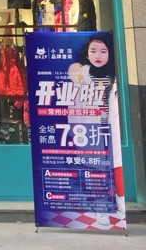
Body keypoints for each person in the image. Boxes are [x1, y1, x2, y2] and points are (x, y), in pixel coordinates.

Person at [67, 33, 125, 221]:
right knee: (96, 171)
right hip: (90, 131)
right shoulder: (80, 75)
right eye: (93, 51)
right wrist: (76, 131)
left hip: (112, 129)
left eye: (103, 51)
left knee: (116, 167)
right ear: (87, 54)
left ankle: (120, 204)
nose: (98, 55)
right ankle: (101, 210)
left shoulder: (115, 74)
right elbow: (73, 105)